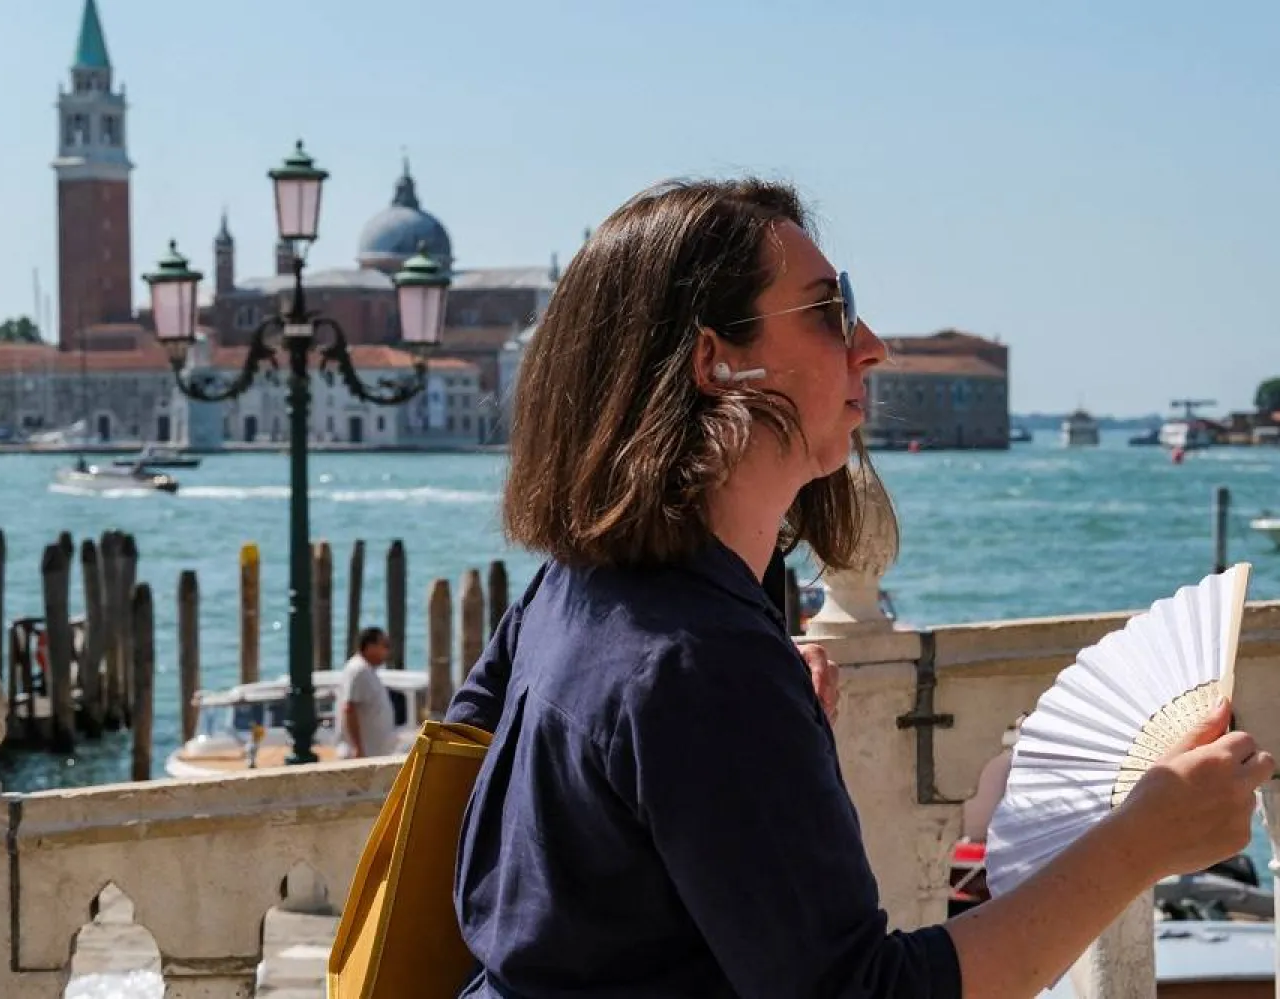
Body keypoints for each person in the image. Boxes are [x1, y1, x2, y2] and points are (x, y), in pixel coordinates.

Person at [444, 176, 1271, 998]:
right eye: (827, 312)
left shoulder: (576, 588)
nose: (870, 343)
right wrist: (1139, 843)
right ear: (713, 361)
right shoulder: (701, 659)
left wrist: (745, 742)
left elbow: (482, 765)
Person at [338, 627, 395, 759]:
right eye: (384, 646)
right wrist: (357, 747)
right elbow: (349, 709)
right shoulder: (358, 670)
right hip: (362, 753)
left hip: (374, 752)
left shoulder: (368, 670)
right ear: (370, 646)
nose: (387, 651)